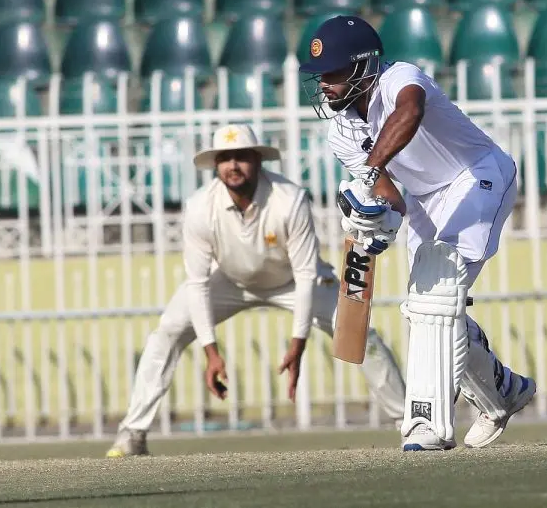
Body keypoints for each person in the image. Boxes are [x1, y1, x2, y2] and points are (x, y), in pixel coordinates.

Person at [299, 16, 537, 451]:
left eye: (333, 73)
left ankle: (428, 425)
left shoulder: (400, 78)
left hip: (476, 174)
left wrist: (368, 175)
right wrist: (376, 222)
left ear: (362, 65)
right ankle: (502, 391)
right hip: (426, 198)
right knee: (421, 309)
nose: (325, 85)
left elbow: (410, 112)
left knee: (436, 297)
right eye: (321, 76)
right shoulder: (341, 132)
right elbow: (393, 199)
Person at [106, 124, 406, 457]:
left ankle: (407, 423)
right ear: (216, 165)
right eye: (225, 158)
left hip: (292, 281)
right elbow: (198, 283)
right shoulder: (200, 206)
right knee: (167, 332)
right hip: (229, 281)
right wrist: (211, 352)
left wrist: (298, 343)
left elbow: (305, 274)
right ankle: (132, 434)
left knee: (359, 332)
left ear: (258, 160)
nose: (233, 165)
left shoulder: (289, 199)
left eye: (242, 157)